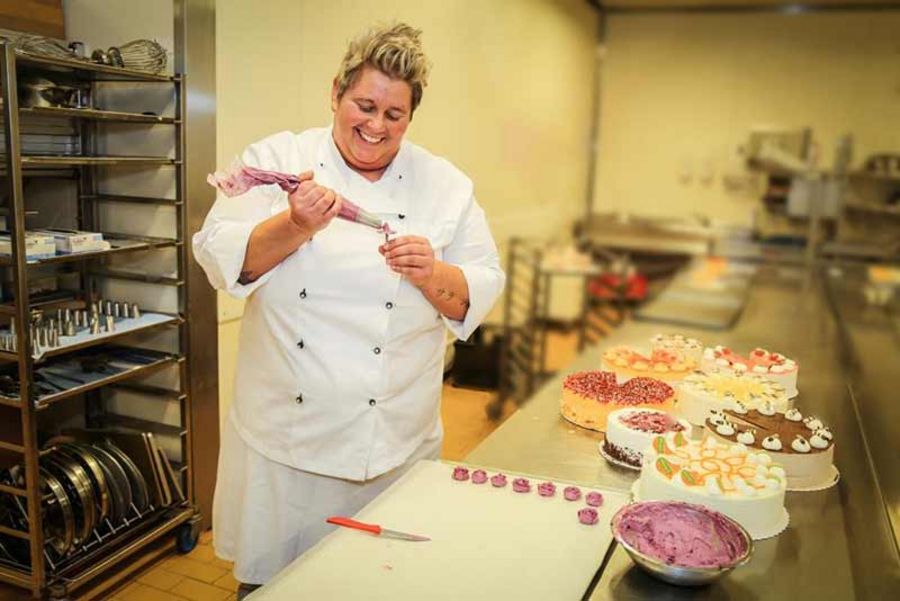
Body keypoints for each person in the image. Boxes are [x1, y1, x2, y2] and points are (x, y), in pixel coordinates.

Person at [192, 22, 505, 597]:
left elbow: (477, 290)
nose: (375, 126)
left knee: (384, 586)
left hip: (394, 445)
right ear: (336, 92)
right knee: (273, 588)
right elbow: (220, 258)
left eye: (394, 115)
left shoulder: (445, 186)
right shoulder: (279, 158)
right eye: (364, 105)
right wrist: (296, 224)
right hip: (288, 449)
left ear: (411, 117)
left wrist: (430, 272)